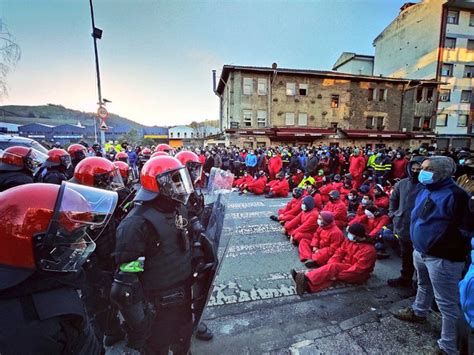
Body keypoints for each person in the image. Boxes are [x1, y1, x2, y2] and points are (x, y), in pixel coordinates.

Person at [0, 182, 117, 354]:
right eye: (74, 238)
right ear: (41, 246)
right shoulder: (30, 331)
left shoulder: (51, 277)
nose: (83, 243)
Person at [111, 156, 195, 353]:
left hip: (183, 295)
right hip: (157, 306)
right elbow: (125, 282)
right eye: (173, 181)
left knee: (183, 340)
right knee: (157, 347)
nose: (179, 186)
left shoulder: (178, 208)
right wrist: (140, 323)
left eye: (180, 179)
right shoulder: (136, 224)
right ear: (158, 185)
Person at [394, 156, 471, 355]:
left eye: (427, 168)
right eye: (421, 167)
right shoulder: (426, 189)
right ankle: (419, 311)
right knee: (423, 284)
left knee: (446, 303)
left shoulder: (457, 196)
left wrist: (444, 247)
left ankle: (448, 346)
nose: (421, 171)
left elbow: (464, 230)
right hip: (421, 251)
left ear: (441, 172)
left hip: (441, 258)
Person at [71, 157, 127, 346]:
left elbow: (111, 225)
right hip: (91, 268)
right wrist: (95, 273)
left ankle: (114, 331)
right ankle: (102, 338)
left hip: (108, 258)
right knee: (97, 306)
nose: (111, 184)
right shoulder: (75, 206)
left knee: (110, 302)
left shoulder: (100, 199)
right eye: (106, 180)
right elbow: (78, 245)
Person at [291, 223, 376, 295]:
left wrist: (338, 275)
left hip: (358, 274)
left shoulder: (369, 251)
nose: (348, 235)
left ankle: (305, 278)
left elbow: (358, 269)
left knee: (332, 271)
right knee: (329, 271)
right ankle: (307, 286)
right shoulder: (350, 241)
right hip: (346, 266)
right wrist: (331, 262)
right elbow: (339, 252)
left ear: (358, 236)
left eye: (350, 234)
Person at [386, 157, 423, 288]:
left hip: (420, 228)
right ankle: (405, 277)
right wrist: (393, 213)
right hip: (403, 225)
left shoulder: (427, 186)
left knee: (420, 259)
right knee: (406, 255)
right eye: (413, 169)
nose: (415, 172)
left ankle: (419, 284)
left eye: (419, 169)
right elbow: (393, 199)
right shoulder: (402, 183)